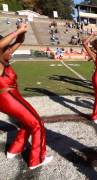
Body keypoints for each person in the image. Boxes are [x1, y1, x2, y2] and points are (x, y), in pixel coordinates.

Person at [0, 23, 53, 169]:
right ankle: (36, 160)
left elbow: (20, 41)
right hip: (8, 98)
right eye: (8, 49)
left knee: (27, 122)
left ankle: (14, 149)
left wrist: (22, 32)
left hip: (10, 97)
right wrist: (17, 31)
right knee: (37, 123)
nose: (12, 51)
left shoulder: (4, 59)